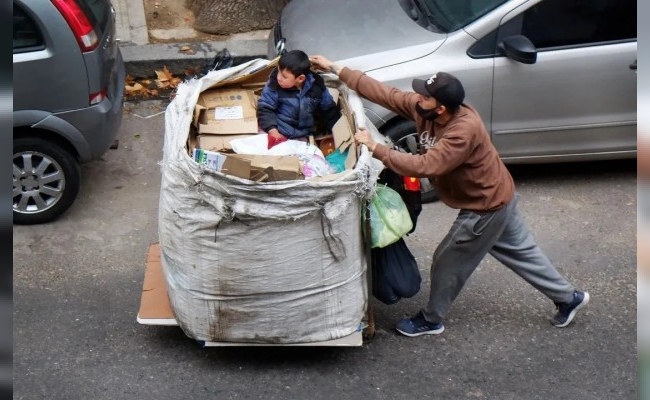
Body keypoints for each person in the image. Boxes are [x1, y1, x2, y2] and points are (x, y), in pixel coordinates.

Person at [309, 54, 590, 337]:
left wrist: (376, 148)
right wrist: (335, 67)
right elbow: (387, 94)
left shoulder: (462, 131)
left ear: (441, 108)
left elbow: (426, 165)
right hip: (499, 195)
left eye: (425, 97)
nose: (417, 98)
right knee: (523, 253)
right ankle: (570, 298)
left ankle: (431, 319)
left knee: (447, 261)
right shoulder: (426, 109)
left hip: (484, 205)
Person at [257, 50, 341, 149]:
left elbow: (329, 111)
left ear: (300, 79)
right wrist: (273, 131)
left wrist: (336, 133)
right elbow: (265, 108)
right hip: (278, 130)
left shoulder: (317, 87)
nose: (279, 77)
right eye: (279, 71)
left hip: (303, 136)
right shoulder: (274, 84)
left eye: (284, 76)